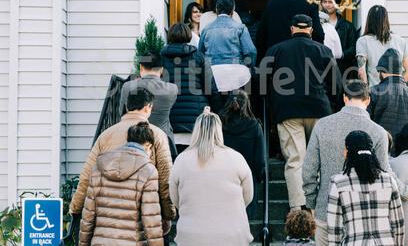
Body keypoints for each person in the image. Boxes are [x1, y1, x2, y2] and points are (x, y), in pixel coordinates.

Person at [302, 80, 408, 246]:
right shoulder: (379, 132)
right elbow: (385, 171)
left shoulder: (322, 126)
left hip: (326, 209)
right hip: (364, 216)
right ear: (368, 101)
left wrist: (312, 203)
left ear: (345, 98)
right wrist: (405, 190)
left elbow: (308, 170)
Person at [262, 14, 342, 212]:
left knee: (295, 160)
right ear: (311, 30)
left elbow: (261, 81)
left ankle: (298, 209)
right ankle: (319, 207)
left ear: (291, 29)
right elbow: (337, 85)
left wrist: (272, 100)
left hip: (287, 111)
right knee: (322, 159)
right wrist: (332, 102)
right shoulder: (323, 50)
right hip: (319, 110)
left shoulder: (276, 50)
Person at [70, 88, 175, 236]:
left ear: (127, 106)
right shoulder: (157, 135)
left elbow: (87, 177)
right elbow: (165, 180)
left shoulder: (105, 135)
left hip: (108, 216)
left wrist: (76, 208)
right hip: (145, 216)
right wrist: (168, 214)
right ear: (148, 107)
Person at [169, 108, 253, 246]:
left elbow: (176, 200)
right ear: (219, 131)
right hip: (233, 236)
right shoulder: (236, 158)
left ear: (196, 130)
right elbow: (247, 197)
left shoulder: (181, 160)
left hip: (191, 237)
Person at [79, 122, 163, 245]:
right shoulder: (148, 171)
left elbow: (88, 215)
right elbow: (151, 220)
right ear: (148, 146)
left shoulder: (98, 167)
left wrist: (83, 243)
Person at [327, 130, 405, 246]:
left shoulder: (338, 183)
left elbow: (334, 230)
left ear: (348, 152)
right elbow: (398, 224)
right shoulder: (388, 180)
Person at [160, 23, 221, 153]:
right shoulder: (198, 56)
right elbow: (210, 88)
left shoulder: (161, 58)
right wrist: (218, 111)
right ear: (188, 36)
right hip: (195, 121)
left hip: (169, 120)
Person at [119, 51, 179, 157]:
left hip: (134, 142)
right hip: (163, 142)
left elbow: (121, 113)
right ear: (161, 70)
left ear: (141, 67)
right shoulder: (172, 89)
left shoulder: (128, 87)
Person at [256, 0, 324, 61]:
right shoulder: (310, 5)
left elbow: (261, 36)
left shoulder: (272, 4)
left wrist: (262, 60)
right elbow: (318, 35)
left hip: (276, 57)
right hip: (302, 57)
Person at [221, 90, 264, 219]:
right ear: (247, 104)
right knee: (245, 218)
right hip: (248, 177)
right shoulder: (255, 126)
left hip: (224, 176)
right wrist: (259, 176)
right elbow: (259, 158)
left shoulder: (221, 125)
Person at [199, 0, 257, 92]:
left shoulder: (206, 29)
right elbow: (251, 51)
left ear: (217, 10)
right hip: (235, 72)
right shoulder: (240, 27)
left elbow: (200, 53)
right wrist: (248, 67)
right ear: (232, 11)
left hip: (212, 72)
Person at [367, 48, 408, 138]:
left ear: (382, 72)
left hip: (382, 149)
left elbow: (365, 126)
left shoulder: (372, 93)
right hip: (407, 150)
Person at [356, 5, 408, 86]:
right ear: (386, 20)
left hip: (375, 93)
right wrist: (399, 86)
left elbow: (361, 72)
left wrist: (367, 93)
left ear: (369, 20)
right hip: (397, 94)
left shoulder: (363, 41)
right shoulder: (400, 41)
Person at [320, 0, 358, 80]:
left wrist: (341, 54)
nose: (327, 5)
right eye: (324, 2)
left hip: (342, 71)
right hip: (322, 70)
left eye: (331, 2)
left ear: (338, 4)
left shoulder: (347, 26)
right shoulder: (317, 25)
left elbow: (353, 48)